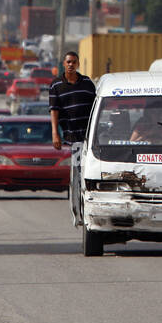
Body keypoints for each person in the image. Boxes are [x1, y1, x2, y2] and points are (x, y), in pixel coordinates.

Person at [49, 51, 97, 226]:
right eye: (68, 62)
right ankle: (77, 214)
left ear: (77, 64)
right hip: (72, 138)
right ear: (64, 63)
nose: (71, 64)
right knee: (76, 176)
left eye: (74, 62)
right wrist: (55, 134)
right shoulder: (56, 86)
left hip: (89, 138)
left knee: (88, 174)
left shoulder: (87, 83)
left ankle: (87, 208)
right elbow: (54, 111)